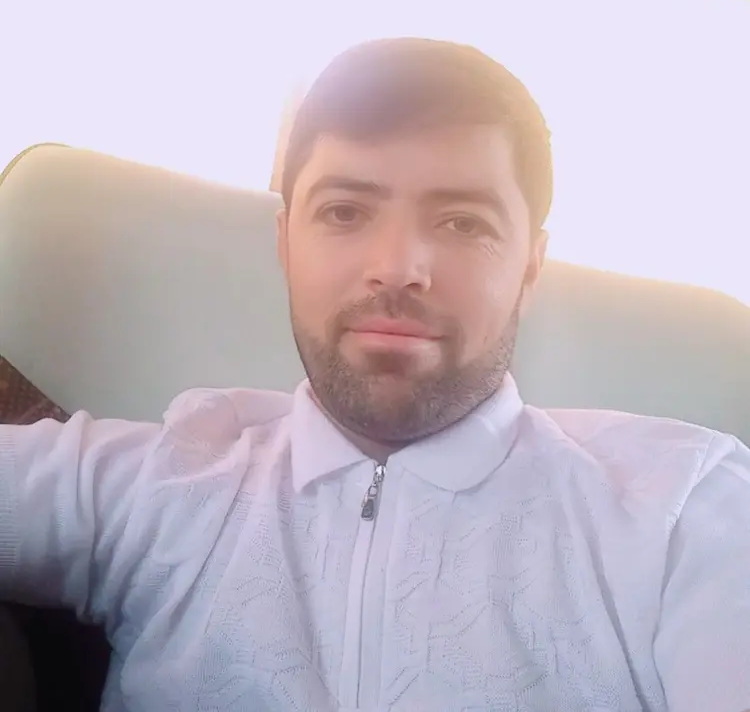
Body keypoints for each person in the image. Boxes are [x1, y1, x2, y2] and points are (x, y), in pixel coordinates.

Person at [0, 38, 748, 712]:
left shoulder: (684, 510)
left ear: (530, 267)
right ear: (285, 244)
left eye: (463, 223)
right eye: (344, 212)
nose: (396, 267)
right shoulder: (163, 479)